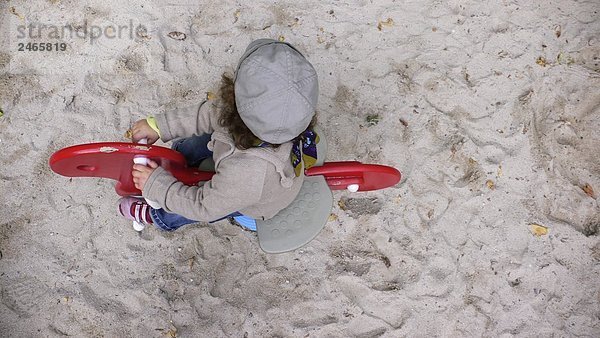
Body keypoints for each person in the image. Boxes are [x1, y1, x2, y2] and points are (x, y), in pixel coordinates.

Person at [118, 38, 320, 232]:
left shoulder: (251, 173)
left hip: (254, 199)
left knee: (204, 206)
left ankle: (156, 216)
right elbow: (205, 114)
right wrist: (159, 126)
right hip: (239, 157)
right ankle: (184, 159)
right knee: (191, 146)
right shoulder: (278, 115)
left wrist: (157, 186)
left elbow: (202, 207)